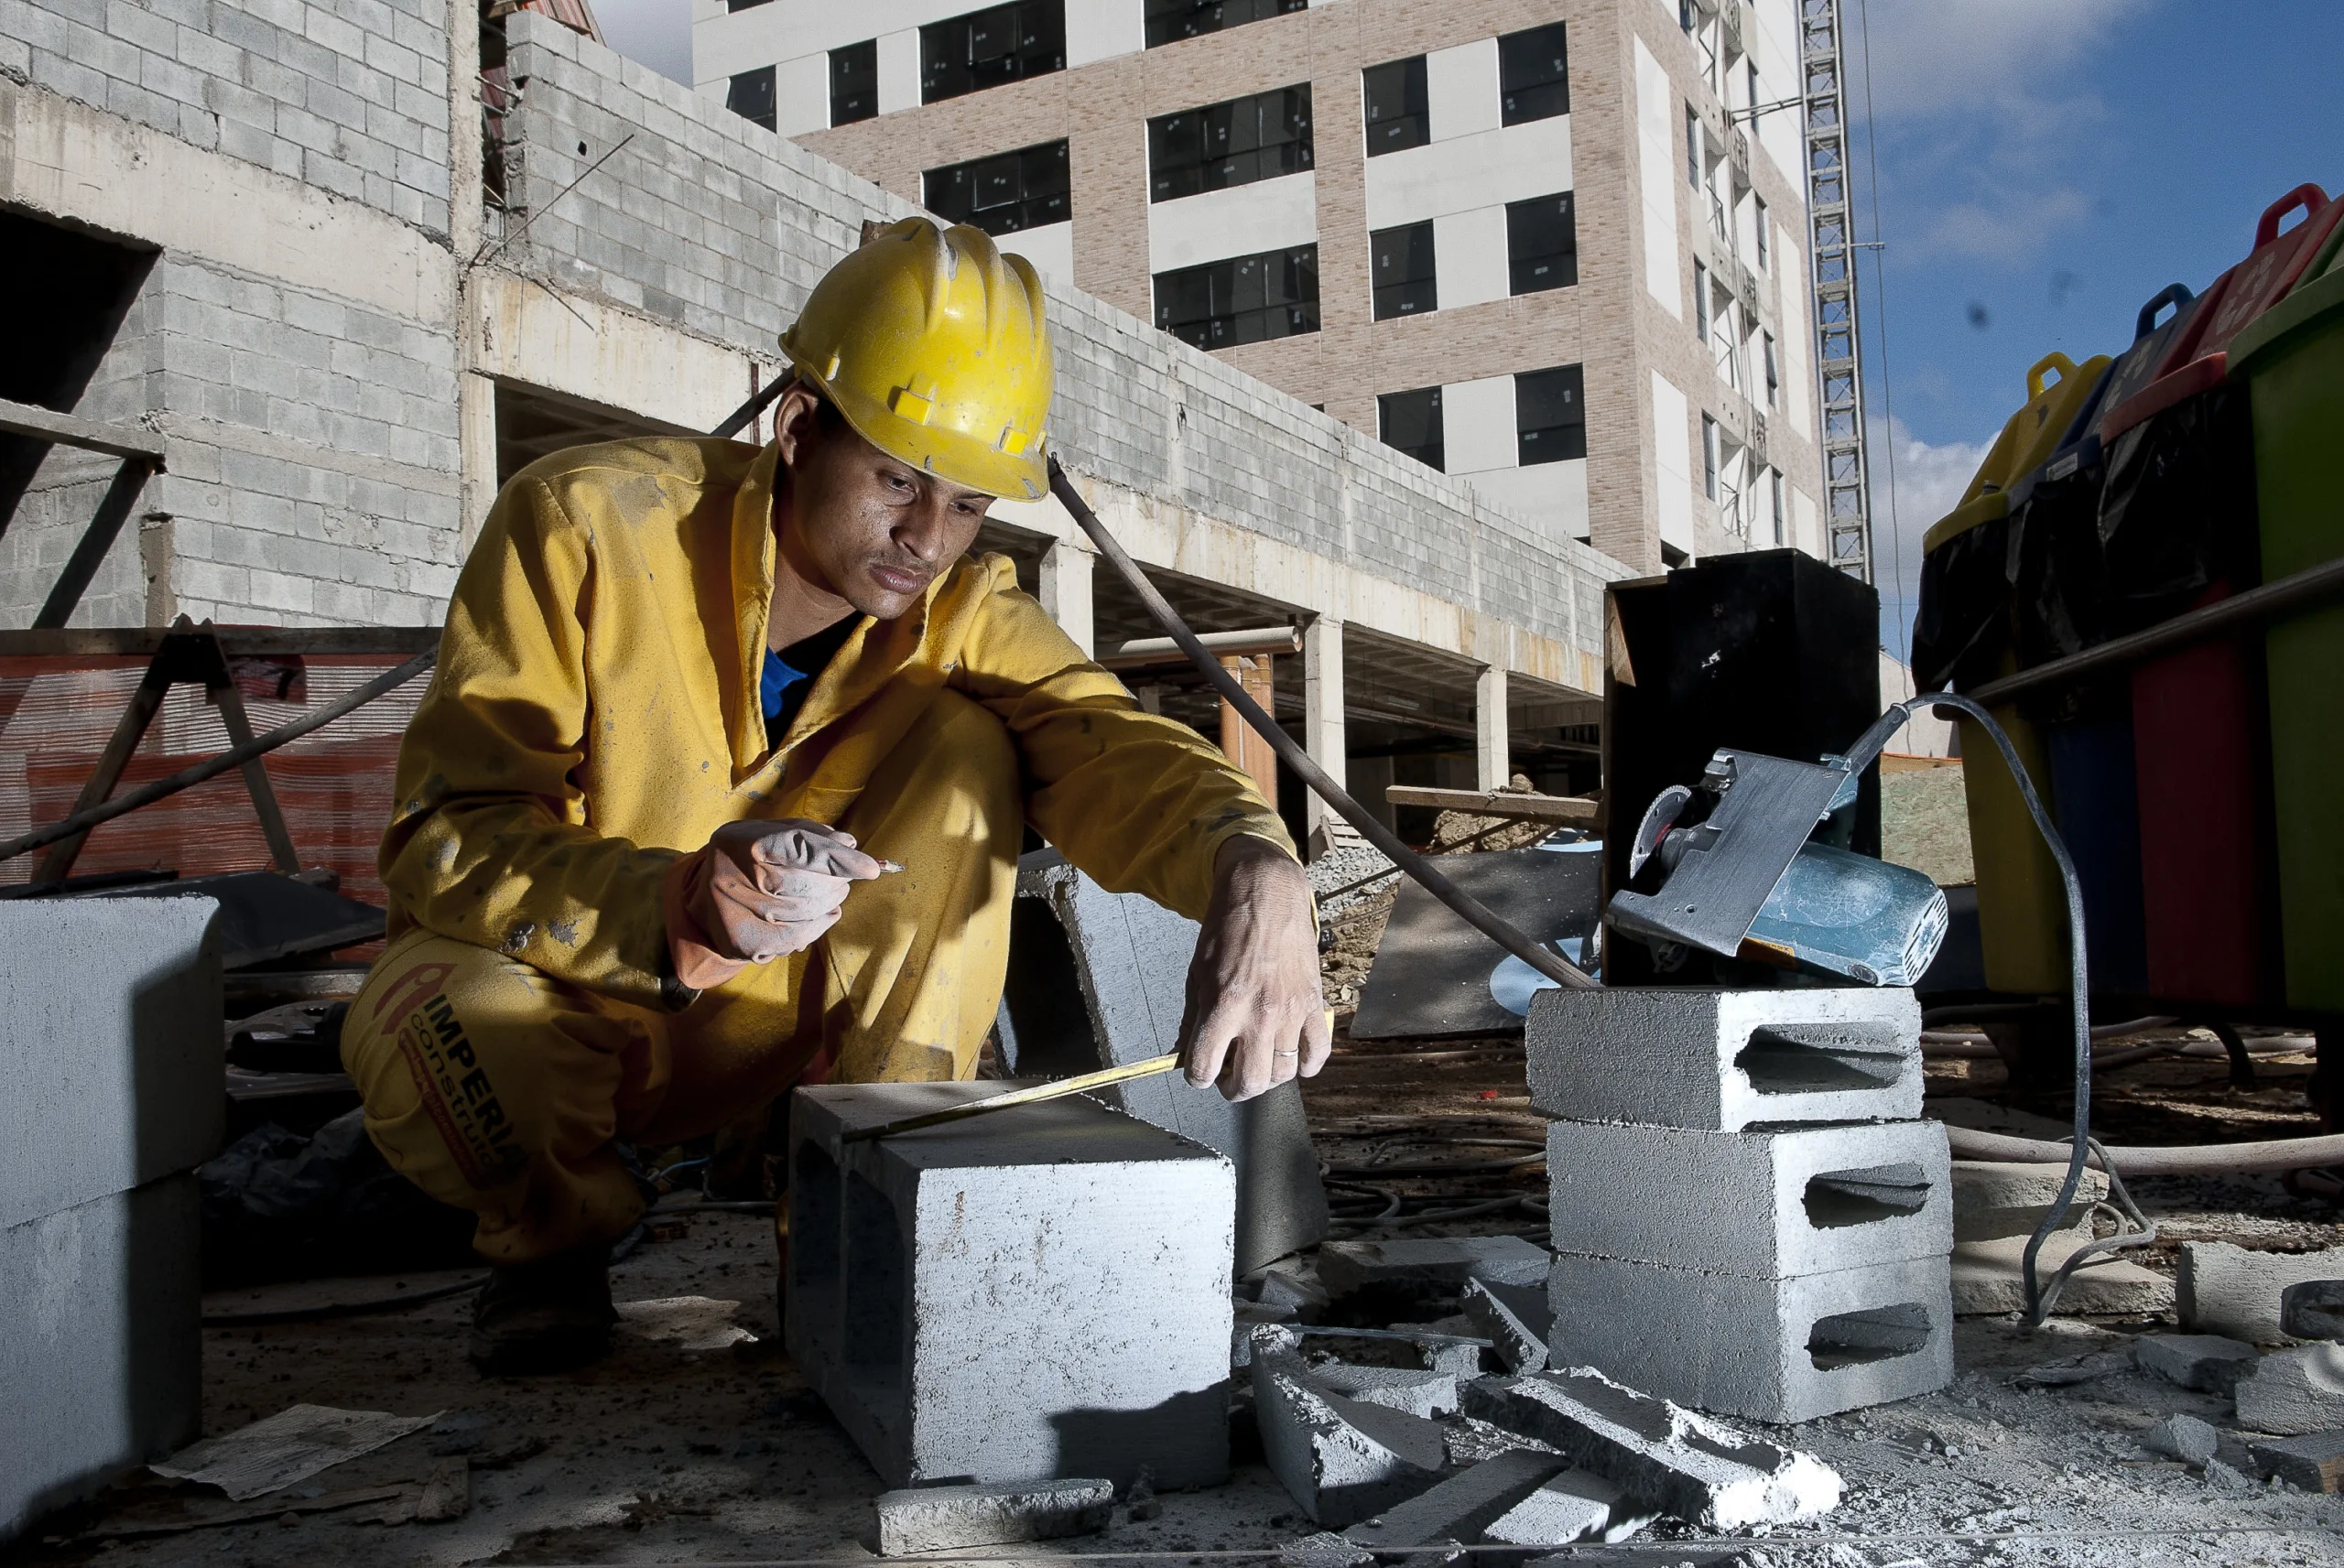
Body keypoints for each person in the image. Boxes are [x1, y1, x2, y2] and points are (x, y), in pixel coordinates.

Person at [339, 218, 1329, 1373]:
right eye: (899, 481)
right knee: (447, 1034)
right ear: (801, 426)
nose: (926, 538)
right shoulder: (587, 528)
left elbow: (1111, 744)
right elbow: (444, 837)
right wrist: (674, 905)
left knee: (974, 746)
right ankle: (550, 1252)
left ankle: (855, 1220)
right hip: (578, 995)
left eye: (965, 505)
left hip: (788, 1031)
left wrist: (1255, 862)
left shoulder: (959, 615)